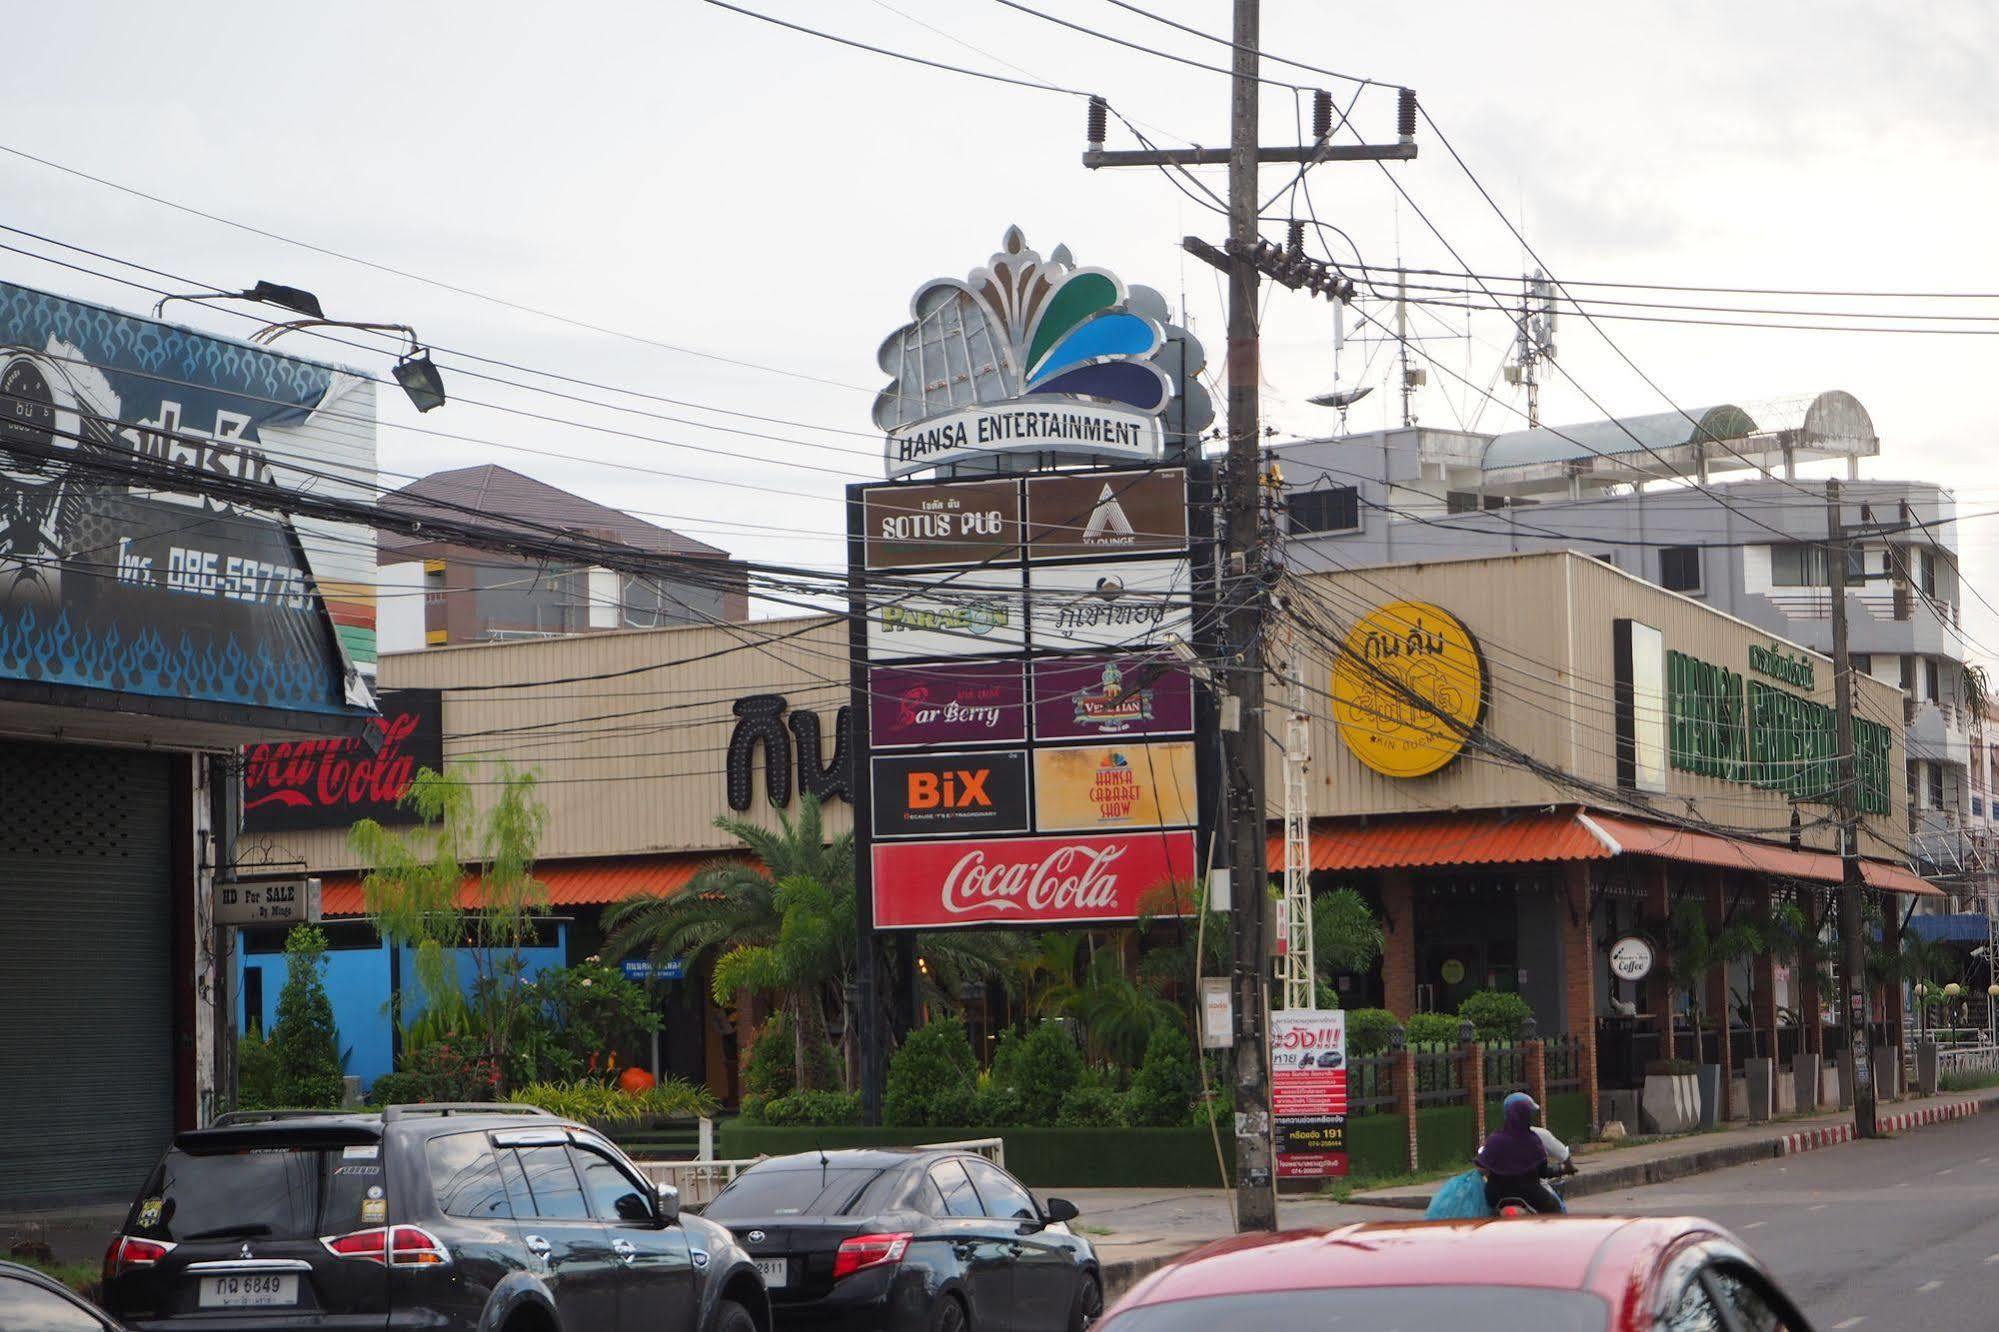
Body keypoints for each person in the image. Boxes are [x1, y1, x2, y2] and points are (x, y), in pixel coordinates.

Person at [1477, 1092, 1565, 1215]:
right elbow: (1543, 1172)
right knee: (1555, 1208)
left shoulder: (1494, 1139)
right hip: (1530, 1195)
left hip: (1495, 1196)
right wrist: (1558, 1170)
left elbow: (1481, 1166)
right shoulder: (1533, 1140)